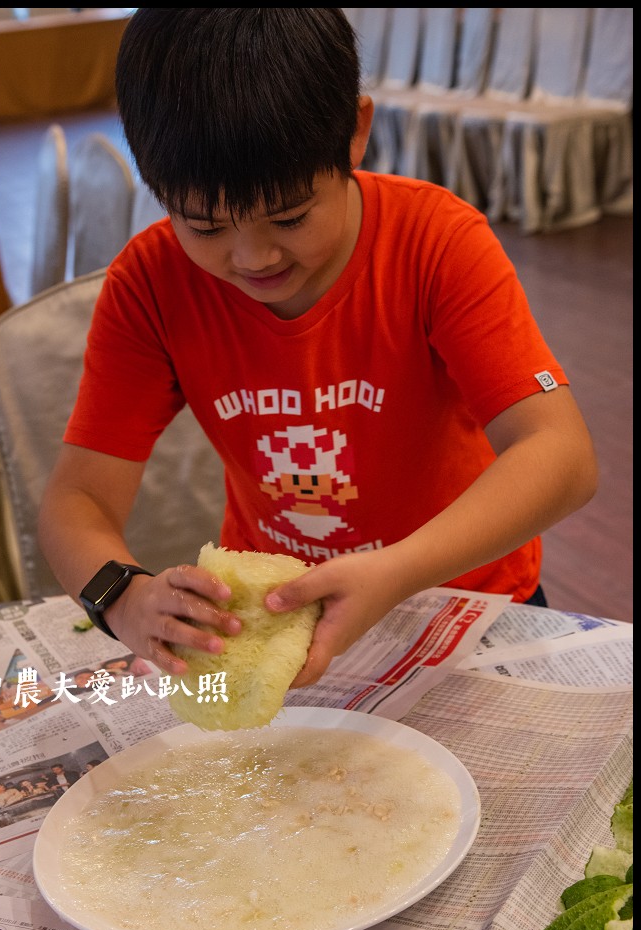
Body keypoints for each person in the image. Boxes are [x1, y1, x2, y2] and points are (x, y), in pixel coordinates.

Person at [37, 9, 597, 690]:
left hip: (471, 604)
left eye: (292, 216)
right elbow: (77, 502)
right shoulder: (150, 285)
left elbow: (561, 455)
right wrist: (121, 596)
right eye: (205, 225)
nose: (254, 257)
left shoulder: (435, 244)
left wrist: (397, 571)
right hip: (284, 626)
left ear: (356, 132)